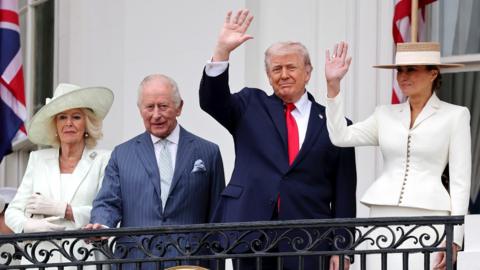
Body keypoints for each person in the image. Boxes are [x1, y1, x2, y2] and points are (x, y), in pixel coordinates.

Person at [199, 9, 357, 270]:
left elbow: (344, 192)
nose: (284, 74)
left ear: (307, 72)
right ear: (269, 75)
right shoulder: (250, 104)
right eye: (277, 69)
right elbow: (211, 100)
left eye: (291, 67)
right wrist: (222, 52)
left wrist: (342, 249)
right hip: (252, 235)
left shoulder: (335, 123)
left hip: (308, 240)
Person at [324, 41, 471, 270]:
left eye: (411, 69)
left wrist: (454, 238)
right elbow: (340, 137)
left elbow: (461, 182)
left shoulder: (456, 116)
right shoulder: (384, 114)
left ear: (433, 73)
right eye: (399, 70)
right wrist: (333, 86)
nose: (403, 76)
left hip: (431, 219)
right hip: (382, 216)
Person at [86, 74, 225, 269]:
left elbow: (217, 217)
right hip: (136, 260)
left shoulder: (208, 152)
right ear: (140, 109)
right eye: (149, 107)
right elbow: (108, 201)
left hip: (190, 261)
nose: (156, 114)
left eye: (163, 106)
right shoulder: (122, 154)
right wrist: (101, 225)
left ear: (179, 107)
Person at [5, 83, 114, 268]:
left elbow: (107, 212)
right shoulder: (37, 159)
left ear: (87, 124)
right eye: (62, 117)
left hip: (82, 259)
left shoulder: (103, 159)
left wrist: (66, 210)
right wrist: (28, 226)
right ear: (55, 125)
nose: (68, 123)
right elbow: (12, 212)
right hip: (40, 259)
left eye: (76, 117)